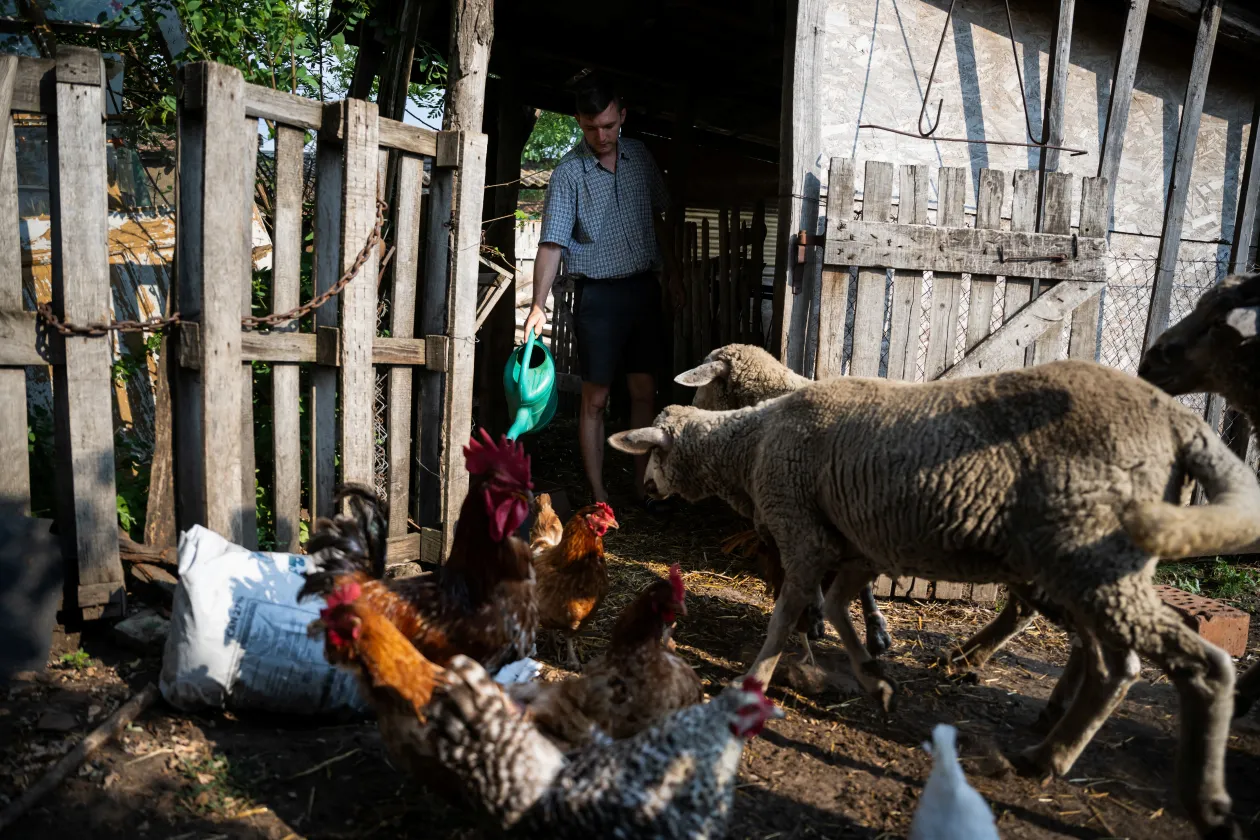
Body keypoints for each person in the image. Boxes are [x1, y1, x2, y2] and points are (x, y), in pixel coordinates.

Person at [523, 72, 684, 511]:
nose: (602, 135)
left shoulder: (640, 157)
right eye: (592, 127)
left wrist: (673, 274)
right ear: (578, 122)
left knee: (644, 391)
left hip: (642, 291)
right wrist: (538, 305)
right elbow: (552, 242)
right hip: (597, 299)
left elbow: (661, 217)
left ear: (622, 116)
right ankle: (598, 495)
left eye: (610, 125)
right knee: (595, 398)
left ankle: (642, 486)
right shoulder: (568, 173)